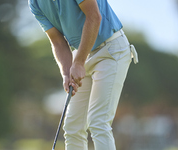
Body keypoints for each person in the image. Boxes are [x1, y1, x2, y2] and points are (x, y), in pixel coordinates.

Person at [28, 0, 138, 149]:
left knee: (98, 121)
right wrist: (67, 73)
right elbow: (57, 41)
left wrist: (78, 63)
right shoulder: (35, 3)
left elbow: (94, 17)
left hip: (111, 49)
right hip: (81, 53)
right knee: (73, 126)